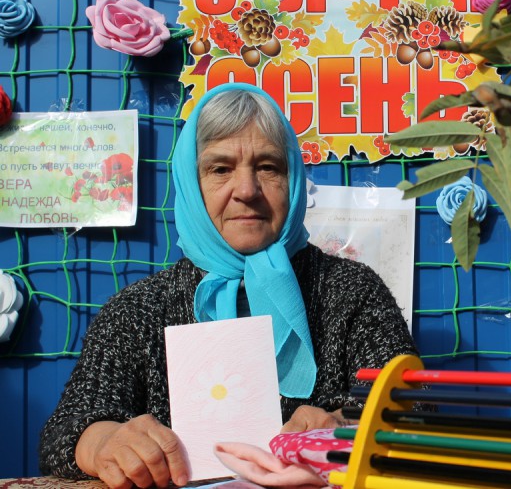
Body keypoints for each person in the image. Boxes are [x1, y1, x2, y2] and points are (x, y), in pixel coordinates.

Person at [38, 83, 419, 489]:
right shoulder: (138, 309)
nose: (247, 191)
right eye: (220, 169)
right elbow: (67, 429)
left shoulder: (353, 291)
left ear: (292, 179)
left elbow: (414, 407)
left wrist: (344, 426)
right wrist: (102, 441)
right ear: (191, 184)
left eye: (268, 167)